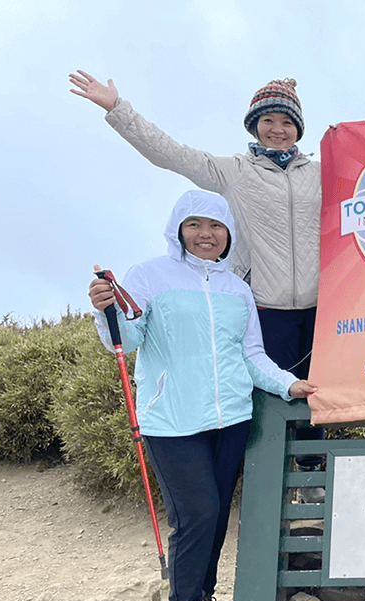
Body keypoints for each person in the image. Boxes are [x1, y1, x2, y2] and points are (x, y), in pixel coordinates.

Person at [88, 190, 317, 601]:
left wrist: (290, 385)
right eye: (194, 225)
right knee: (196, 514)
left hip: (230, 418)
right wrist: (105, 308)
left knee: (213, 517)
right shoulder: (150, 275)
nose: (205, 235)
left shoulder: (237, 289)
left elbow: (251, 356)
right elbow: (127, 339)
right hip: (170, 419)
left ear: (228, 234)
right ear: (178, 228)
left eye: (215, 226)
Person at [70, 72, 320, 380]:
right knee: (269, 406)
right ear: (254, 125)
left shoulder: (321, 174)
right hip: (261, 310)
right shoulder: (235, 171)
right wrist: (117, 108)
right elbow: (172, 155)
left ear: (298, 128)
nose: (277, 130)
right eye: (268, 120)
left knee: (315, 405)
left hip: (319, 313)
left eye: (287, 122)